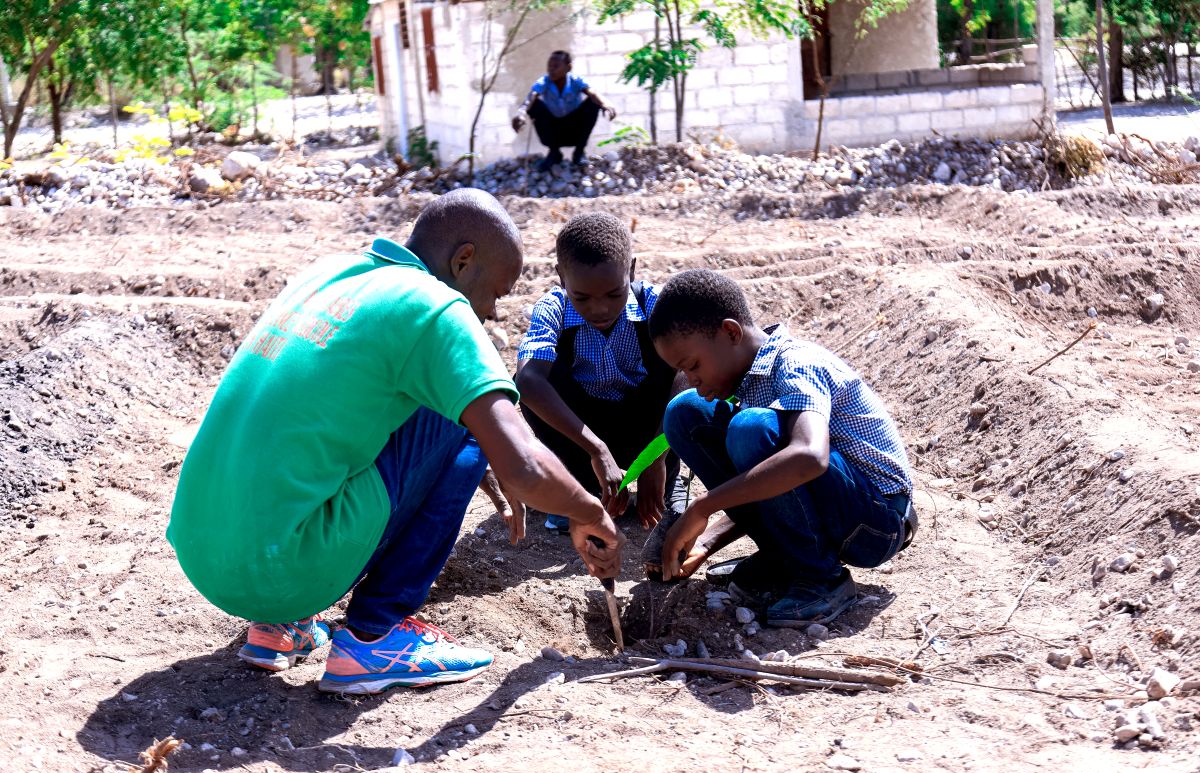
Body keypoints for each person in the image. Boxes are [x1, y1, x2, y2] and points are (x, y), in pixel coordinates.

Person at [166, 189, 623, 695]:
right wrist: (588, 511)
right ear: (463, 260)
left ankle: (280, 625)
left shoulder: (332, 273)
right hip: (286, 566)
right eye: (496, 293)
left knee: (378, 417)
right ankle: (374, 636)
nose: (492, 313)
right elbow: (525, 465)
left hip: (206, 552)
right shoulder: (436, 307)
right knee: (470, 407)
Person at [646, 269, 917, 627]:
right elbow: (765, 481)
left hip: (876, 524)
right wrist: (706, 542)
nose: (694, 381)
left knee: (750, 429)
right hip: (837, 508)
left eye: (693, 366)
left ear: (730, 332)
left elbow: (808, 458)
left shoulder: (795, 364)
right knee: (685, 412)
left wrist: (702, 506)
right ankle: (784, 558)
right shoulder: (748, 378)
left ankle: (822, 578)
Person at [515, 212, 686, 544]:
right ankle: (578, 488)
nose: (600, 309)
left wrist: (655, 456)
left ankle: (669, 478)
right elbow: (528, 381)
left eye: (613, 294)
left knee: (682, 372)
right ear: (562, 279)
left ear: (631, 271)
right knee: (533, 381)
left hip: (649, 433)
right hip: (584, 438)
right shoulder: (552, 310)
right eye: (582, 298)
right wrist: (597, 450)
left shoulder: (654, 303)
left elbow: (692, 375)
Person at [511, 50, 617, 170]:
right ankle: (554, 153)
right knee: (534, 106)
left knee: (593, 103)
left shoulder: (576, 81)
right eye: (549, 66)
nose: (551, 69)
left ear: (568, 67)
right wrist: (521, 113)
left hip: (575, 127)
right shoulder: (544, 82)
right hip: (553, 128)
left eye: (556, 66)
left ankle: (579, 152)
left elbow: (592, 93)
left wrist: (604, 103)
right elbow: (531, 96)